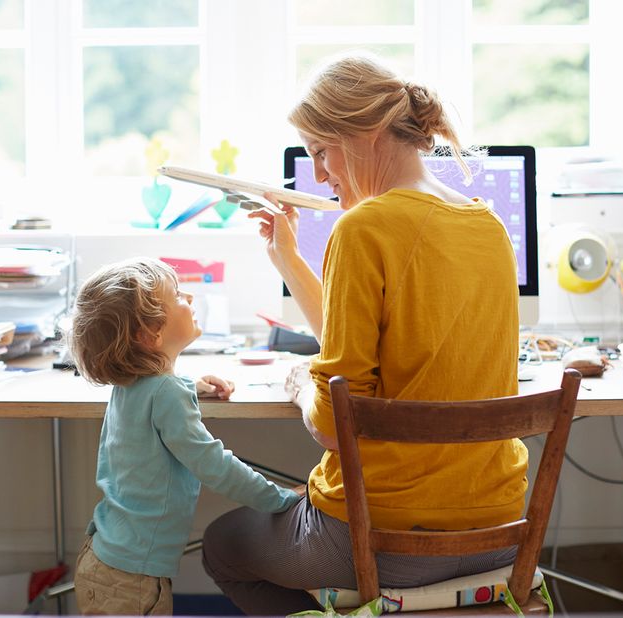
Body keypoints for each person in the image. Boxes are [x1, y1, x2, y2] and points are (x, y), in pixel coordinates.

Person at [201, 54, 525, 614]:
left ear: (368, 132)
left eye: (321, 151)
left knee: (221, 546)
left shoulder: (362, 228)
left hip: (382, 538)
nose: (320, 175)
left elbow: (333, 425)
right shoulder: (489, 226)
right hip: (496, 529)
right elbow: (367, 348)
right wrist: (288, 259)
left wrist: (302, 381)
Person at [68, 257, 301, 615]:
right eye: (176, 294)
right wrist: (282, 500)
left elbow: (154, 402)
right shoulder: (167, 395)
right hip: (131, 579)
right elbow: (215, 466)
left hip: (106, 557)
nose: (189, 297)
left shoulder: (133, 385)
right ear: (150, 335)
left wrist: (193, 387)